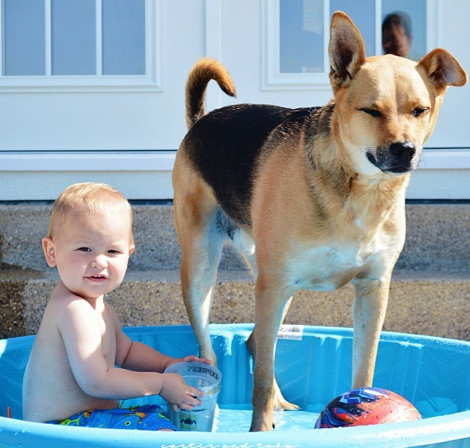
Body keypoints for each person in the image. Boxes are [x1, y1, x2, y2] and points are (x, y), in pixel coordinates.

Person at [22, 182, 210, 430]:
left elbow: (127, 352)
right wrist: (161, 383)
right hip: (61, 431)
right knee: (162, 434)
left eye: (112, 251)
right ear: (52, 252)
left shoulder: (99, 308)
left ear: (128, 254)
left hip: (87, 423)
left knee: (159, 420)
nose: (99, 262)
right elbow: (97, 383)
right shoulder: (73, 310)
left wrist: (167, 364)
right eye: (85, 249)